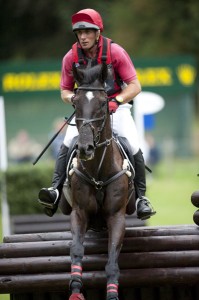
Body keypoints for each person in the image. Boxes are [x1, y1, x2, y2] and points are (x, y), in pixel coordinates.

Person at [38, 8, 156, 220]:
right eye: (79, 33)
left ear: (98, 33)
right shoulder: (71, 57)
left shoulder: (115, 52)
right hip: (88, 112)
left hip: (117, 109)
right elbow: (64, 90)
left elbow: (135, 86)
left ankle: (141, 198)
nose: (83, 37)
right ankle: (55, 190)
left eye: (88, 32)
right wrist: (72, 99)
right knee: (68, 142)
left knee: (133, 143)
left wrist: (117, 100)